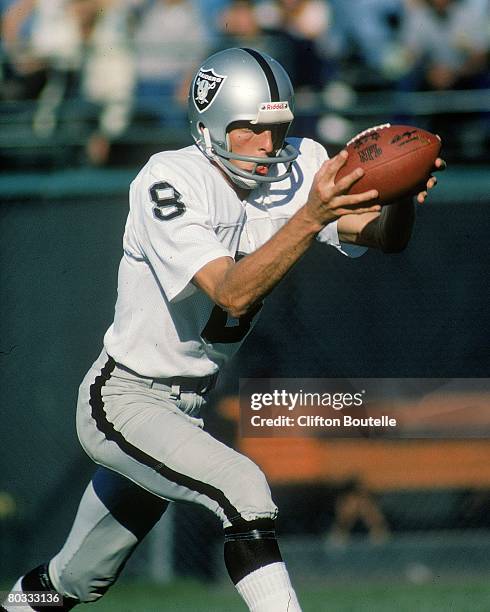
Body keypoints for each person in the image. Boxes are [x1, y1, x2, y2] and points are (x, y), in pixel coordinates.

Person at [2, 47, 444, 612]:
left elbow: (383, 235)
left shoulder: (301, 165)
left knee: (77, 578)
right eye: (250, 129)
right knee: (246, 491)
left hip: (187, 407)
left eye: (276, 128)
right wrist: (311, 215)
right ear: (210, 129)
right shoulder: (169, 179)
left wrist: (398, 198)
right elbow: (232, 291)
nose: (267, 144)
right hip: (126, 400)